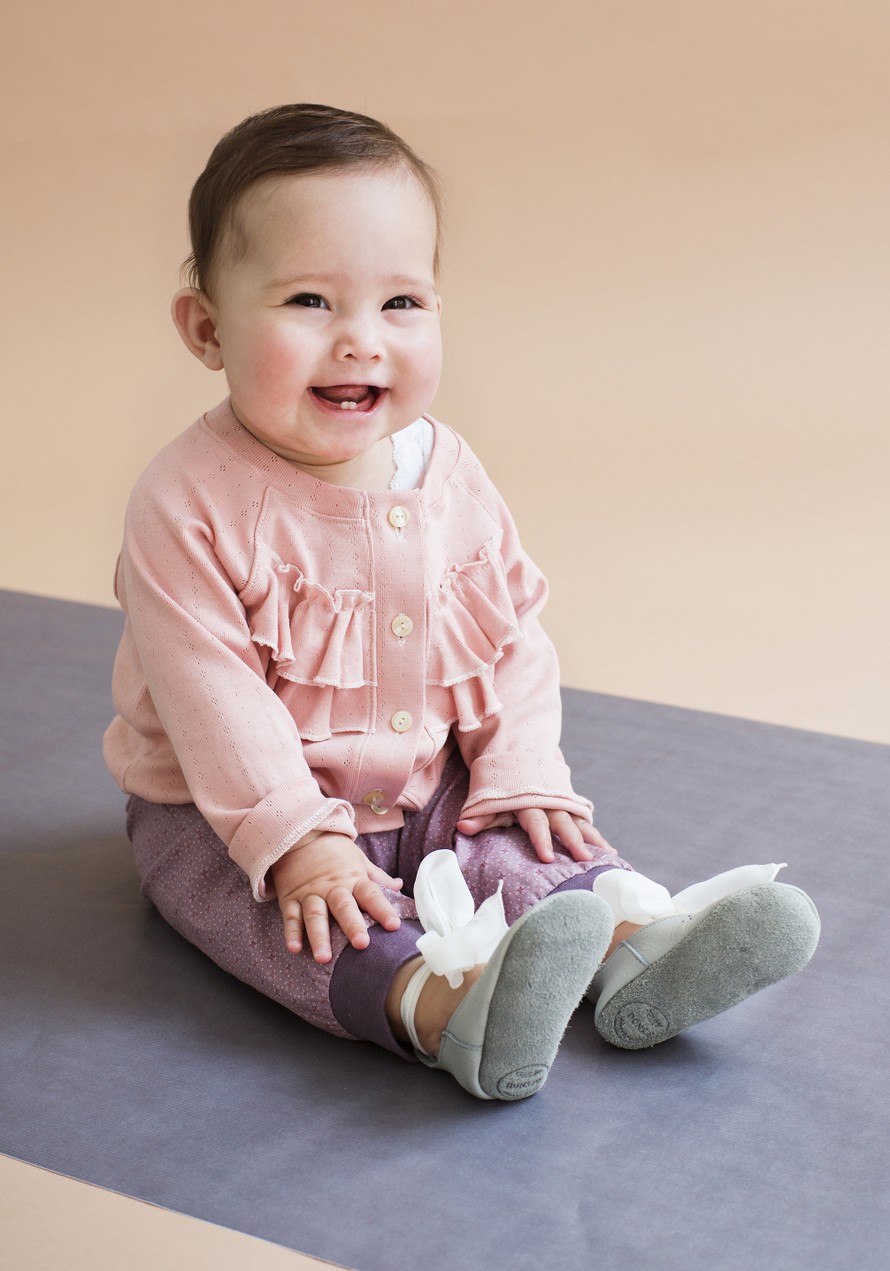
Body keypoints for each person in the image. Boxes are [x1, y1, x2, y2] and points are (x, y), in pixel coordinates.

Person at [103, 104, 820, 1102]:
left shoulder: (446, 469)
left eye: (400, 302)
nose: (360, 341)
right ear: (207, 328)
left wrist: (520, 769)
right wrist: (303, 844)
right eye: (309, 300)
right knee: (309, 918)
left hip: (427, 781)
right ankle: (443, 1008)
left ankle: (634, 943)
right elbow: (212, 700)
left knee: (526, 843)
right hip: (233, 815)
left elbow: (508, 633)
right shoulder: (185, 503)